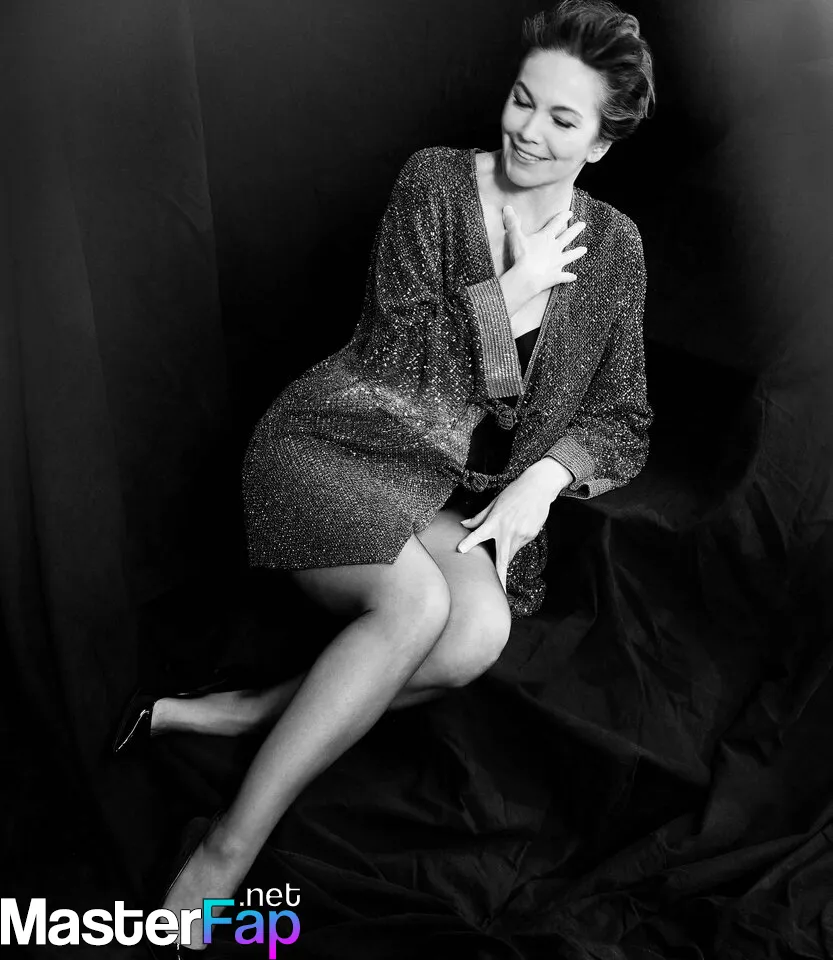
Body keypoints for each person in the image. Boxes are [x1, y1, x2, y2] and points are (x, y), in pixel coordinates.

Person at [120, 0, 655, 950]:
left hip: (436, 491)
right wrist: (508, 293)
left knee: (476, 633)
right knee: (414, 608)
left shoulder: (614, 249)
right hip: (330, 443)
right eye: (522, 99)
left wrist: (540, 482)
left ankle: (247, 713)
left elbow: (622, 415)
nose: (527, 130)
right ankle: (222, 856)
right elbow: (392, 358)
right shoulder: (435, 182)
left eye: (561, 118)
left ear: (601, 144)